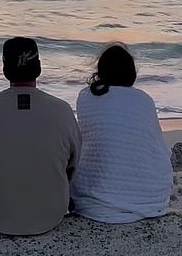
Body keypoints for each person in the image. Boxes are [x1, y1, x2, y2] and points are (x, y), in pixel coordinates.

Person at [0, 37, 81, 236]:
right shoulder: (61, 110)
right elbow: (73, 165)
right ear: (38, 68)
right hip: (51, 215)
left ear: (5, 69)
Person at [70, 44, 172, 223]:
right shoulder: (143, 100)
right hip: (149, 200)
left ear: (101, 71)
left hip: (93, 204)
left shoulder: (86, 97)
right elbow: (157, 146)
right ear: (131, 73)